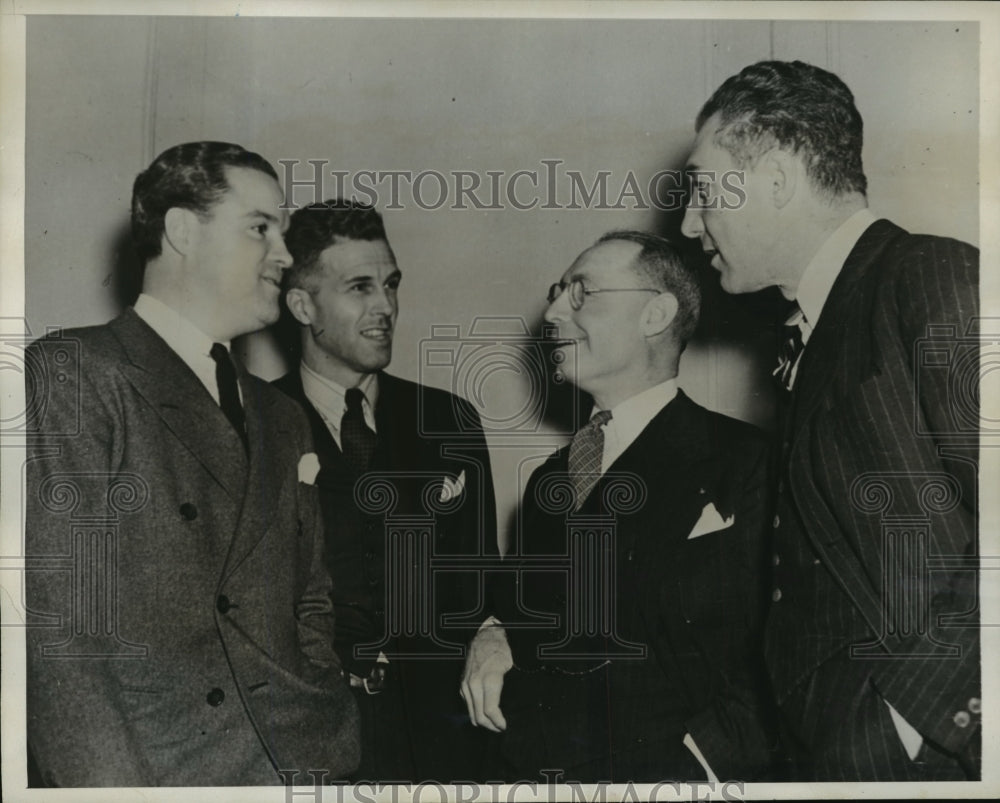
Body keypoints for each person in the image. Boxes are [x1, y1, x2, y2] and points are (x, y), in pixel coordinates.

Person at [680, 60, 980, 781]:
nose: (689, 223)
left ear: (777, 177)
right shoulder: (813, 335)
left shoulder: (930, 275)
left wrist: (913, 719)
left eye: (703, 190)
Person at [25, 141, 359, 787]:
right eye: (260, 228)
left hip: (303, 765)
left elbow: (311, 599)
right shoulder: (75, 374)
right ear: (182, 230)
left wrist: (323, 723)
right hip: (162, 772)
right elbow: (61, 636)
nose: (285, 255)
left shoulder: (282, 415)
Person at [461, 231, 774, 782]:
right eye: (557, 292)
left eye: (581, 292)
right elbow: (520, 610)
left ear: (656, 314)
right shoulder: (549, 479)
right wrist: (493, 630)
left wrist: (706, 764)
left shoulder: (748, 462)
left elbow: (781, 644)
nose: (553, 312)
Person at [274, 199, 498, 781]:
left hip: (442, 746)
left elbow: (482, 584)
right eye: (360, 288)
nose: (386, 307)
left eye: (391, 285)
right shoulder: (256, 423)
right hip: (311, 744)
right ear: (302, 305)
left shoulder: (449, 421)